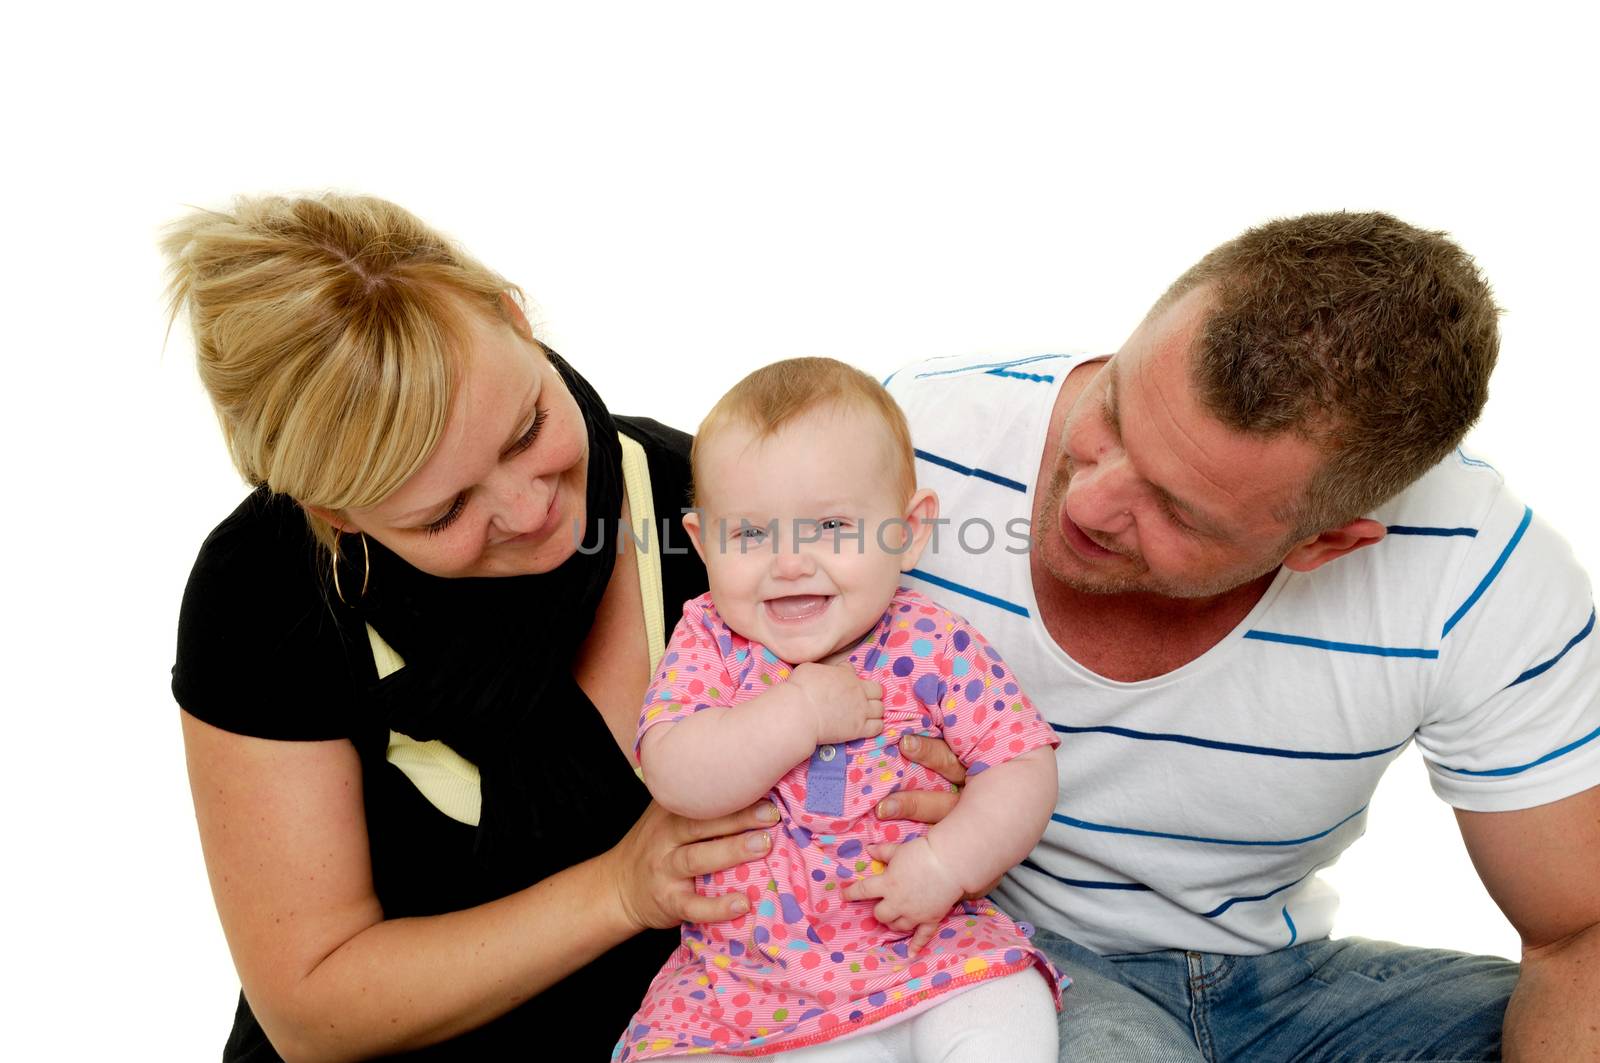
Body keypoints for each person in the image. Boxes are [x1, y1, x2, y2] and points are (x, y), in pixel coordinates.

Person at [163, 193, 889, 1061]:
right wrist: (622, 890)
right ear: (338, 512)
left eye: (527, 429)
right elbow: (312, 1005)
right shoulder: (269, 590)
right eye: (445, 512)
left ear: (517, 317)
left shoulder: (712, 507)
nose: (531, 507)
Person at [882, 211, 1600, 1060]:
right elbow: (715, 684)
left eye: (1176, 509)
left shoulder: (1481, 573)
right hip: (1009, 957)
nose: (1087, 502)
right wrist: (678, 837)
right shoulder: (909, 441)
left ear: (1325, 544)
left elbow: (1574, 933)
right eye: (1110, 408)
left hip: (1288, 988)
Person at [617, 359, 1063, 1061]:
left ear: (907, 532)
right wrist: (796, 713)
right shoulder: (709, 640)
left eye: (829, 526)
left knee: (1004, 1011)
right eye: (752, 535)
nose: (790, 562)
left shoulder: (932, 641)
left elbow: (1021, 762)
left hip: (927, 948)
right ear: (703, 544)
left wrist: (946, 863)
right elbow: (674, 773)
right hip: (759, 977)